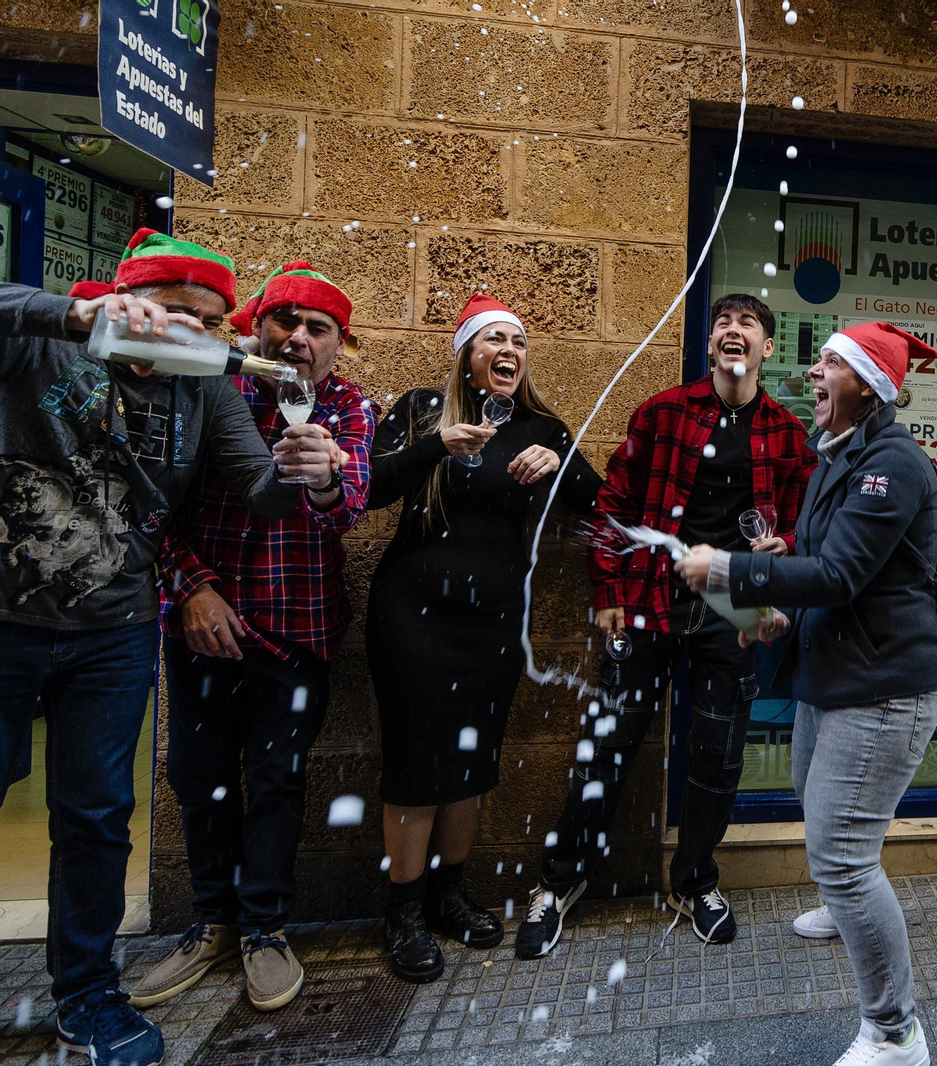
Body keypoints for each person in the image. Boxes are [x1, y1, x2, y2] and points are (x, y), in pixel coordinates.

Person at [0, 230, 341, 1066]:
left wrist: (299, 470)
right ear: (129, 299)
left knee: (96, 817)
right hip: (6, 619)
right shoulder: (44, 343)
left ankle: (86, 996)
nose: (190, 331)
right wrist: (77, 313)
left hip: (113, 633)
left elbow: (258, 495)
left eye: (212, 321)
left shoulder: (206, 388)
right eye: (176, 311)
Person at [678, 321, 937, 1066]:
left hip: (885, 685)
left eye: (829, 362)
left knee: (843, 853)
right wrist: (775, 616)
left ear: (865, 382)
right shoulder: (839, 451)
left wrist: (732, 570)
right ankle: (846, 903)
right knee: (813, 798)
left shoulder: (891, 463)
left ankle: (895, 1032)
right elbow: (818, 564)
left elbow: (840, 576)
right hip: (836, 671)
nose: (813, 372)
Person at [516, 293, 813, 959]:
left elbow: (805, 523)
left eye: (748, 326)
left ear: (767, 348)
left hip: (731, 616)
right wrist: (607, 589)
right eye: (723, 325)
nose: (732, 332)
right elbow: (615, 505)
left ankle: (696, 881)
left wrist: (784, 546)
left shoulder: (787, 435)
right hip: (649, 603)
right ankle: (558, 883)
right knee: (608, 745)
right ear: (712, 346)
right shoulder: (663, 413)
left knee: (716, 757)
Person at [132, 263, 375, 1014]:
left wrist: (330, 476)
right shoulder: (210, 385)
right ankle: (211, 922)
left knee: (278, 781)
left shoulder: (349, 408)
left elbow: (347, 510)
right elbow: (152, 502)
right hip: (206, 623)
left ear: (340, 344)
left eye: (317, 328)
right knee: (197, 778)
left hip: (299, 625)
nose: (297, 339)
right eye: (285, 322)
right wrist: (192, 586)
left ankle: (264, 930)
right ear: (256, 328)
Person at [365, 294, 604, 982]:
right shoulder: (420, 411)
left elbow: (603, 506)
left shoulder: (542, 427)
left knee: (473, 761)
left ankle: (449, 895)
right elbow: (370, 488)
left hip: (493, 619)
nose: (509, 350)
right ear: (468, 358)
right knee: (415, 763)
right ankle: (403, 912)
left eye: (519, 341)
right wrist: (435, 445)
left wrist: (559, 465)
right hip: (411, 615)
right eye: (493, 339)